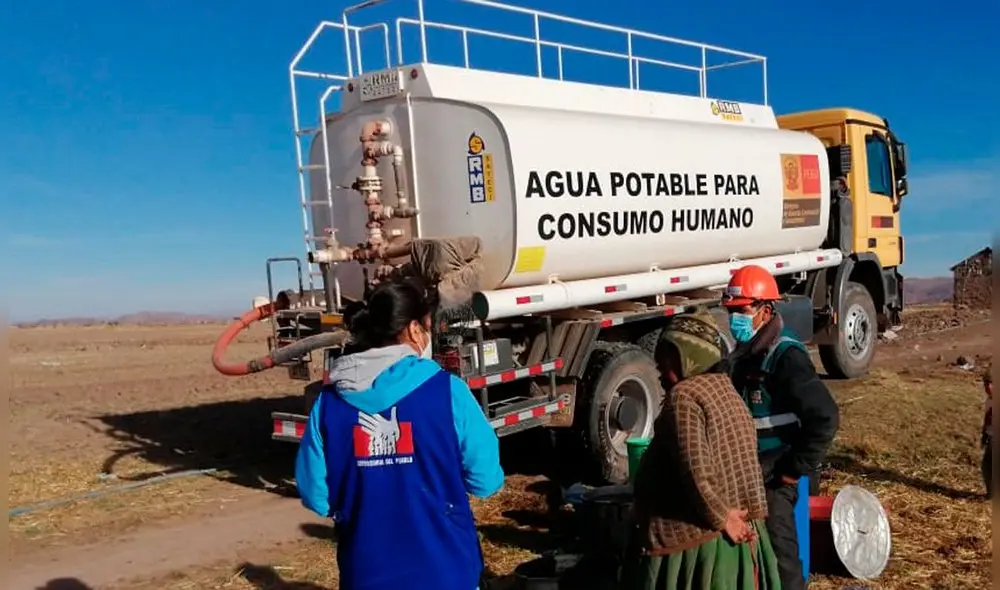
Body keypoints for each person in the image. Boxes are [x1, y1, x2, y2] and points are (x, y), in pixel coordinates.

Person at [294, 280, 505, 590]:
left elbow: (317, 497)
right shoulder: (449, 393)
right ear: (414, 329)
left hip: (365, 572)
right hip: (446, 571)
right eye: (428, 327)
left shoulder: (327, 405)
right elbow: (486, 481)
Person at [623, 312, 782, 590]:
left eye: (666, 357)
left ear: (687, 356)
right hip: (738, 535)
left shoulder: (685, 397)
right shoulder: (724, 389)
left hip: (699, 546)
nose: (659, 367)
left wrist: (722, 517)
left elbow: (697, 471)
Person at [723, 264, 840, 590]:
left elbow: (826, 416)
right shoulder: (745, 354)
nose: (735, 319)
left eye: (741, 310)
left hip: (778, 472)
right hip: (753, 469)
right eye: (730, 311)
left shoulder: (785, 356)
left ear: (766, 310)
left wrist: (794, 468)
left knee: (779, 550)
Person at [982, 365, 993, 497]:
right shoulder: (989, 401)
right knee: (986, 467)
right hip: (991, 436)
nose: (989, 388)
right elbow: (987, 418)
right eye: (986, 384)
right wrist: (984, 432)